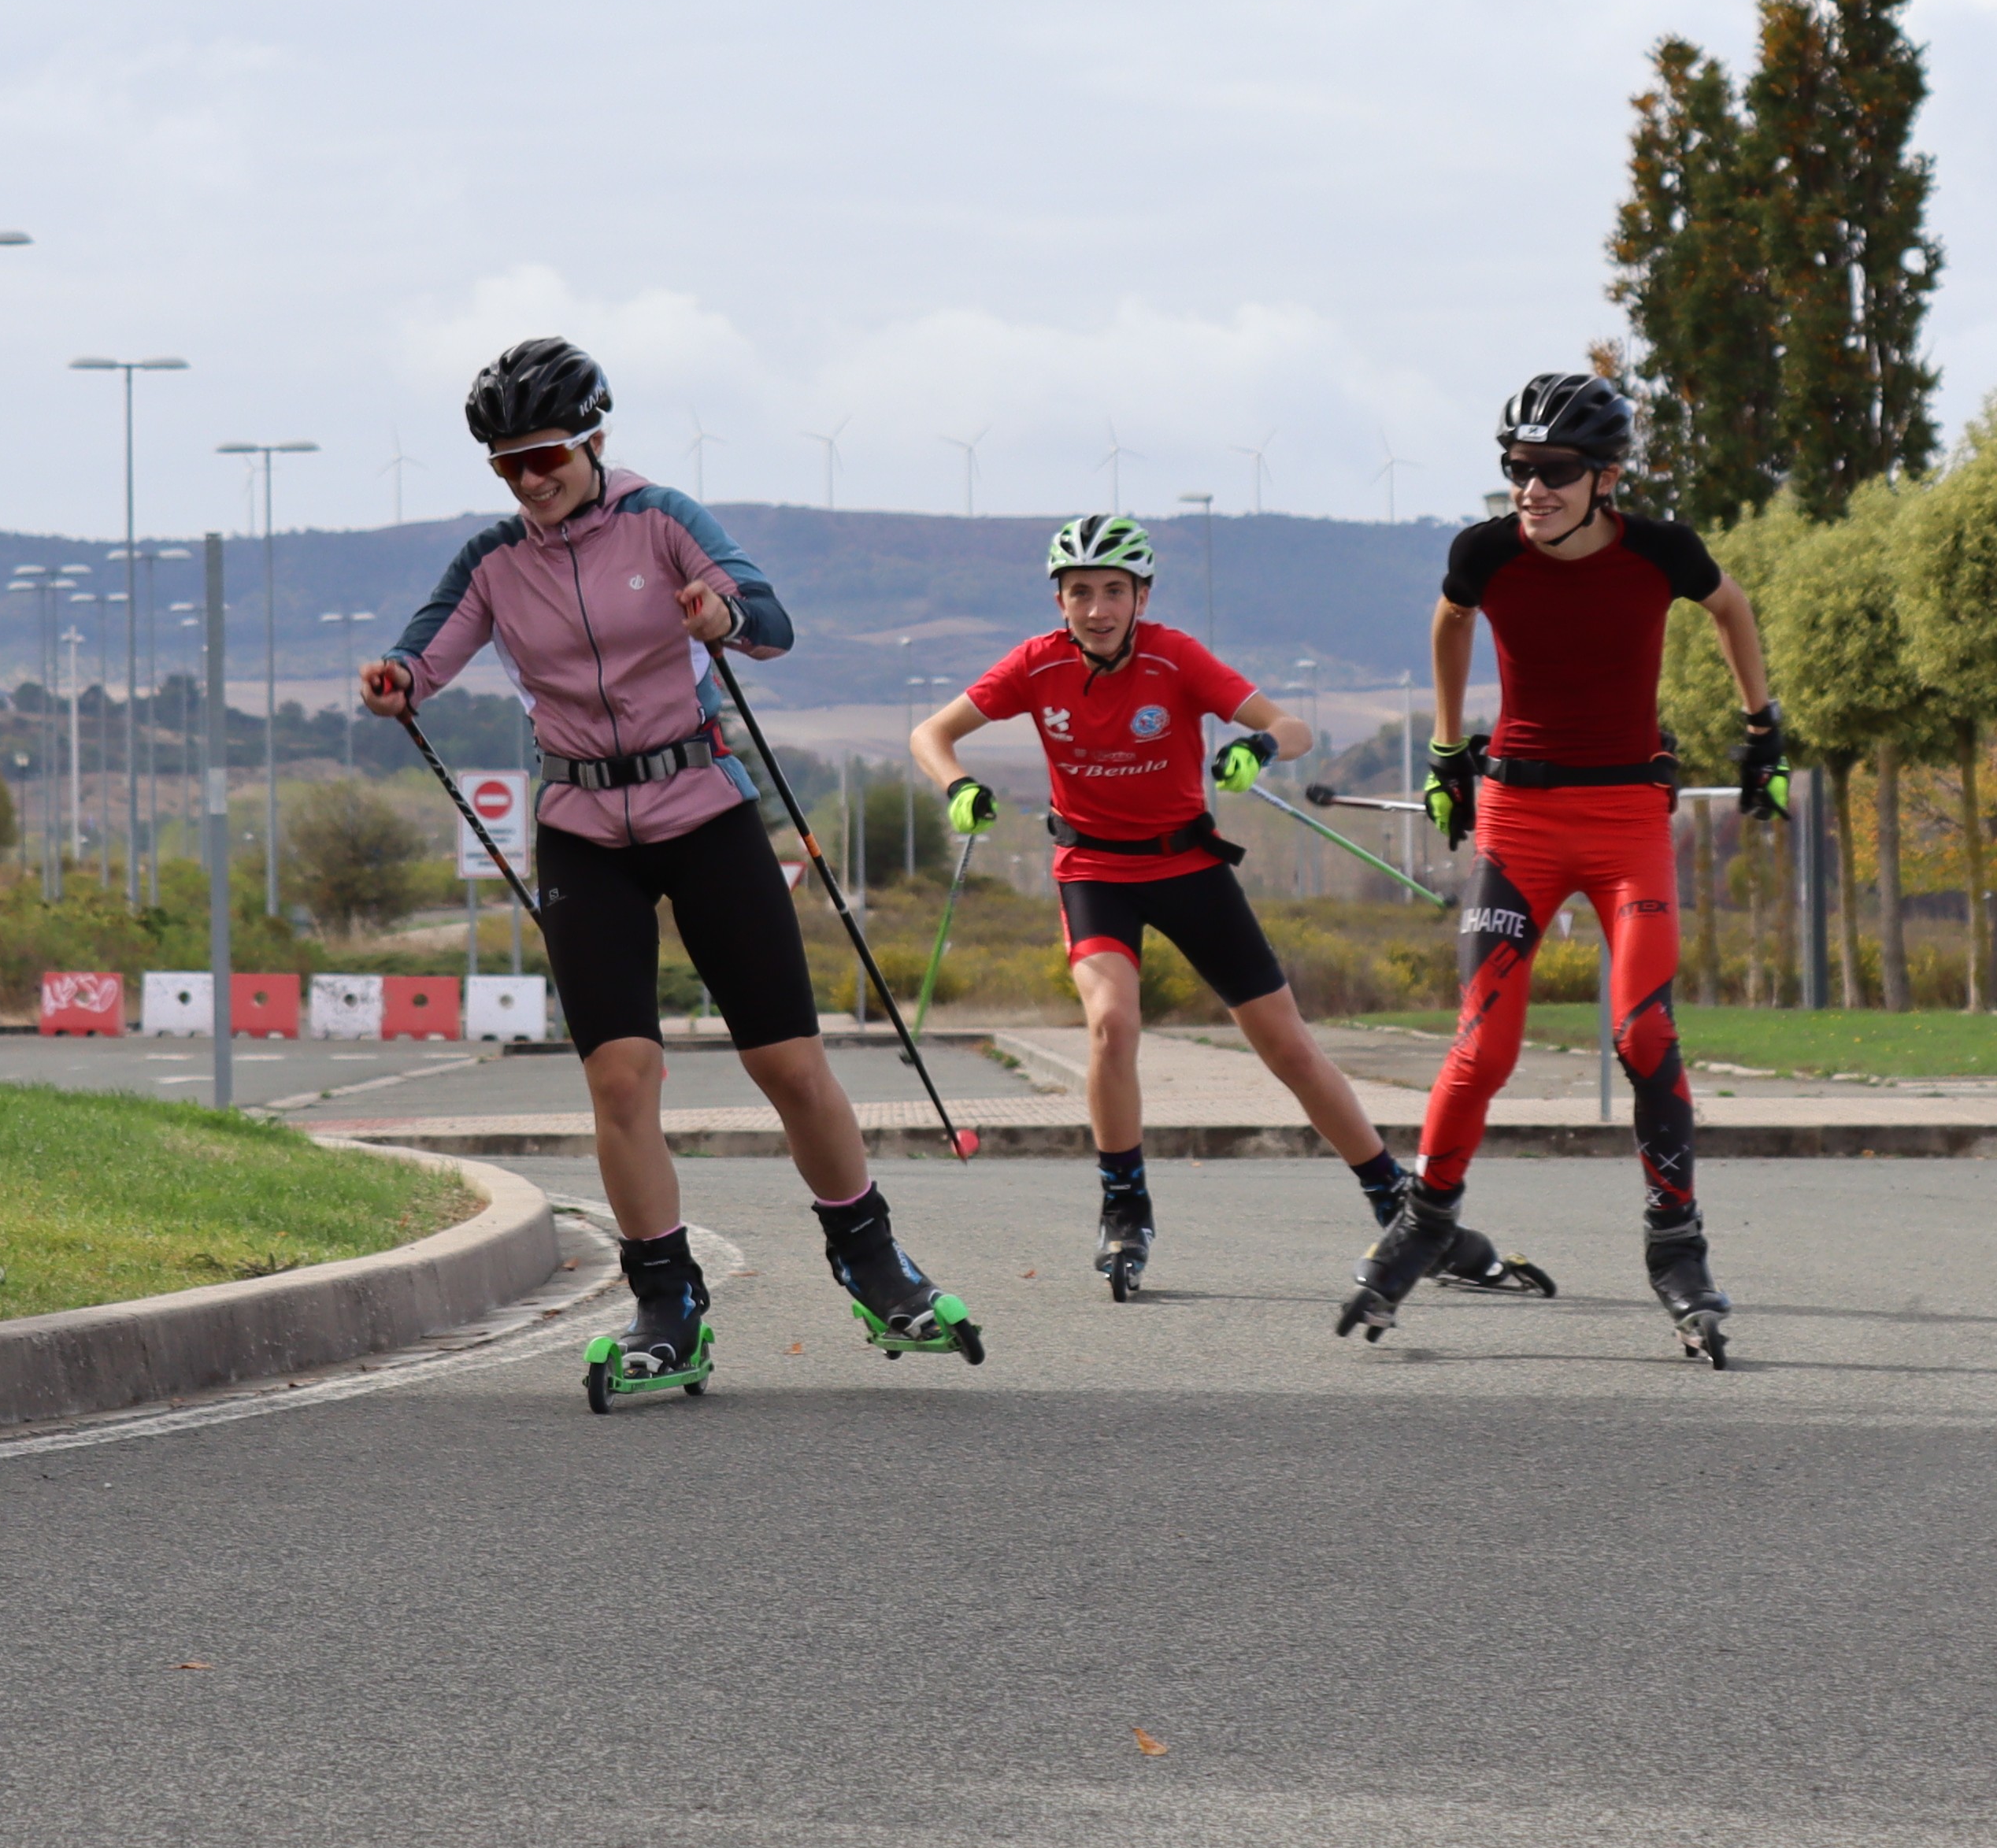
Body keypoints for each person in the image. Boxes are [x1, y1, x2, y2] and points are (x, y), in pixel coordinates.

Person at [361, 336, 970, 1404]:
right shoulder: (493, 562)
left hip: (703, 812)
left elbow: (771, 622)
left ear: (593, 441)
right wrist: (397, 681)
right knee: (619, 1077)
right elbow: (426, 652)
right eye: (506, 464)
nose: (529, 480)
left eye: (545, 456)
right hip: (582, 829)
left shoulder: (663, 520)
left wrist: (722, 615)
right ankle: (666, 1304)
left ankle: (873, 1261)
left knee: (788, 1065)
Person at [1341, 368, 1786, 1364]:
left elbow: (1732, 607)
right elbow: (1451, 620)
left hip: (1628, 819)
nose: (1530, 490)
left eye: (1553, 472)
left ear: (1605, 477)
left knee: (1644, 1033)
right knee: (1483, 1048)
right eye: (1516, 468)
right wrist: (1446, 749)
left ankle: (1677, 1247)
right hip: (1518, 820)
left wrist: (1764, 727)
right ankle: (1425, 1223)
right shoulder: (1486, 552)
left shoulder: (1661, 551)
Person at [906, 513, 1426, 1301]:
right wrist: (958, 785)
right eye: (1080, 592)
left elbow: (1293, 727)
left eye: (1114, 590)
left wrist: (1256, 747)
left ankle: (1393, 1196)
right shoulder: (1036, 665)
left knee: (1287, 1046)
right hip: (1094, 872)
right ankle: (1125, 1205)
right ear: (1059, 601)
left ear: (1141, 596)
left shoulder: (1173, 656)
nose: (1097, 608)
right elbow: (931, 733)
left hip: (1189, 868)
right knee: (1112, 1024)